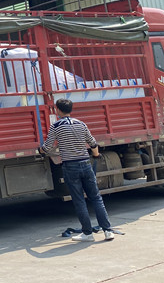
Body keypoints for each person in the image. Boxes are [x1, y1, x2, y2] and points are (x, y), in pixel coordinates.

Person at [42, 98, 115, 242]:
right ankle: (108, 231)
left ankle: (87, 233)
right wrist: (96, 155)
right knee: (96, 198)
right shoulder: (81, 124)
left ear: (58, 110)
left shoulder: (56, 126)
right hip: (85, 164)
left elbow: (47, 147)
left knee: (79, 200)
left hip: (70, 167)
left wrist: (40, 150)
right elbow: (93, 143)